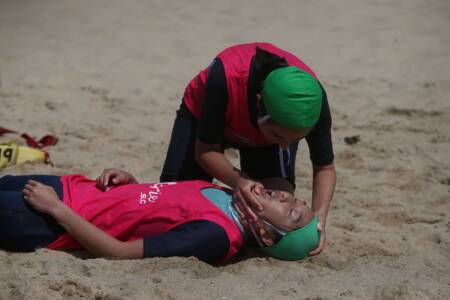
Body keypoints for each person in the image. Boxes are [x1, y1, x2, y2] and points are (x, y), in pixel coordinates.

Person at [160, 42, 336, 256]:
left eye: (295, 139)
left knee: (273, 212)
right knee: (173, 205)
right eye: (279, 137)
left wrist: (318, 219)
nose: (285, 147)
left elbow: (324, 167)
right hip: (204, 116)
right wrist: (238, 181)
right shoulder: (224, 77)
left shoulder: (310, 101)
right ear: (259, 103)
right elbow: (206, 150)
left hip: (268, 130)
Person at [0, 168, 320, 263]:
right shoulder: (230, 195)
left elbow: (119, 252)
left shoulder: (216, 234)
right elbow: (161, 210)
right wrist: (133, 185)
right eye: (294, 198)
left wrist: (57, 209)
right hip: (70, 187)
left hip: (47, 217)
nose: (285, 195)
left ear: (265, 235)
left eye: (291, 211)